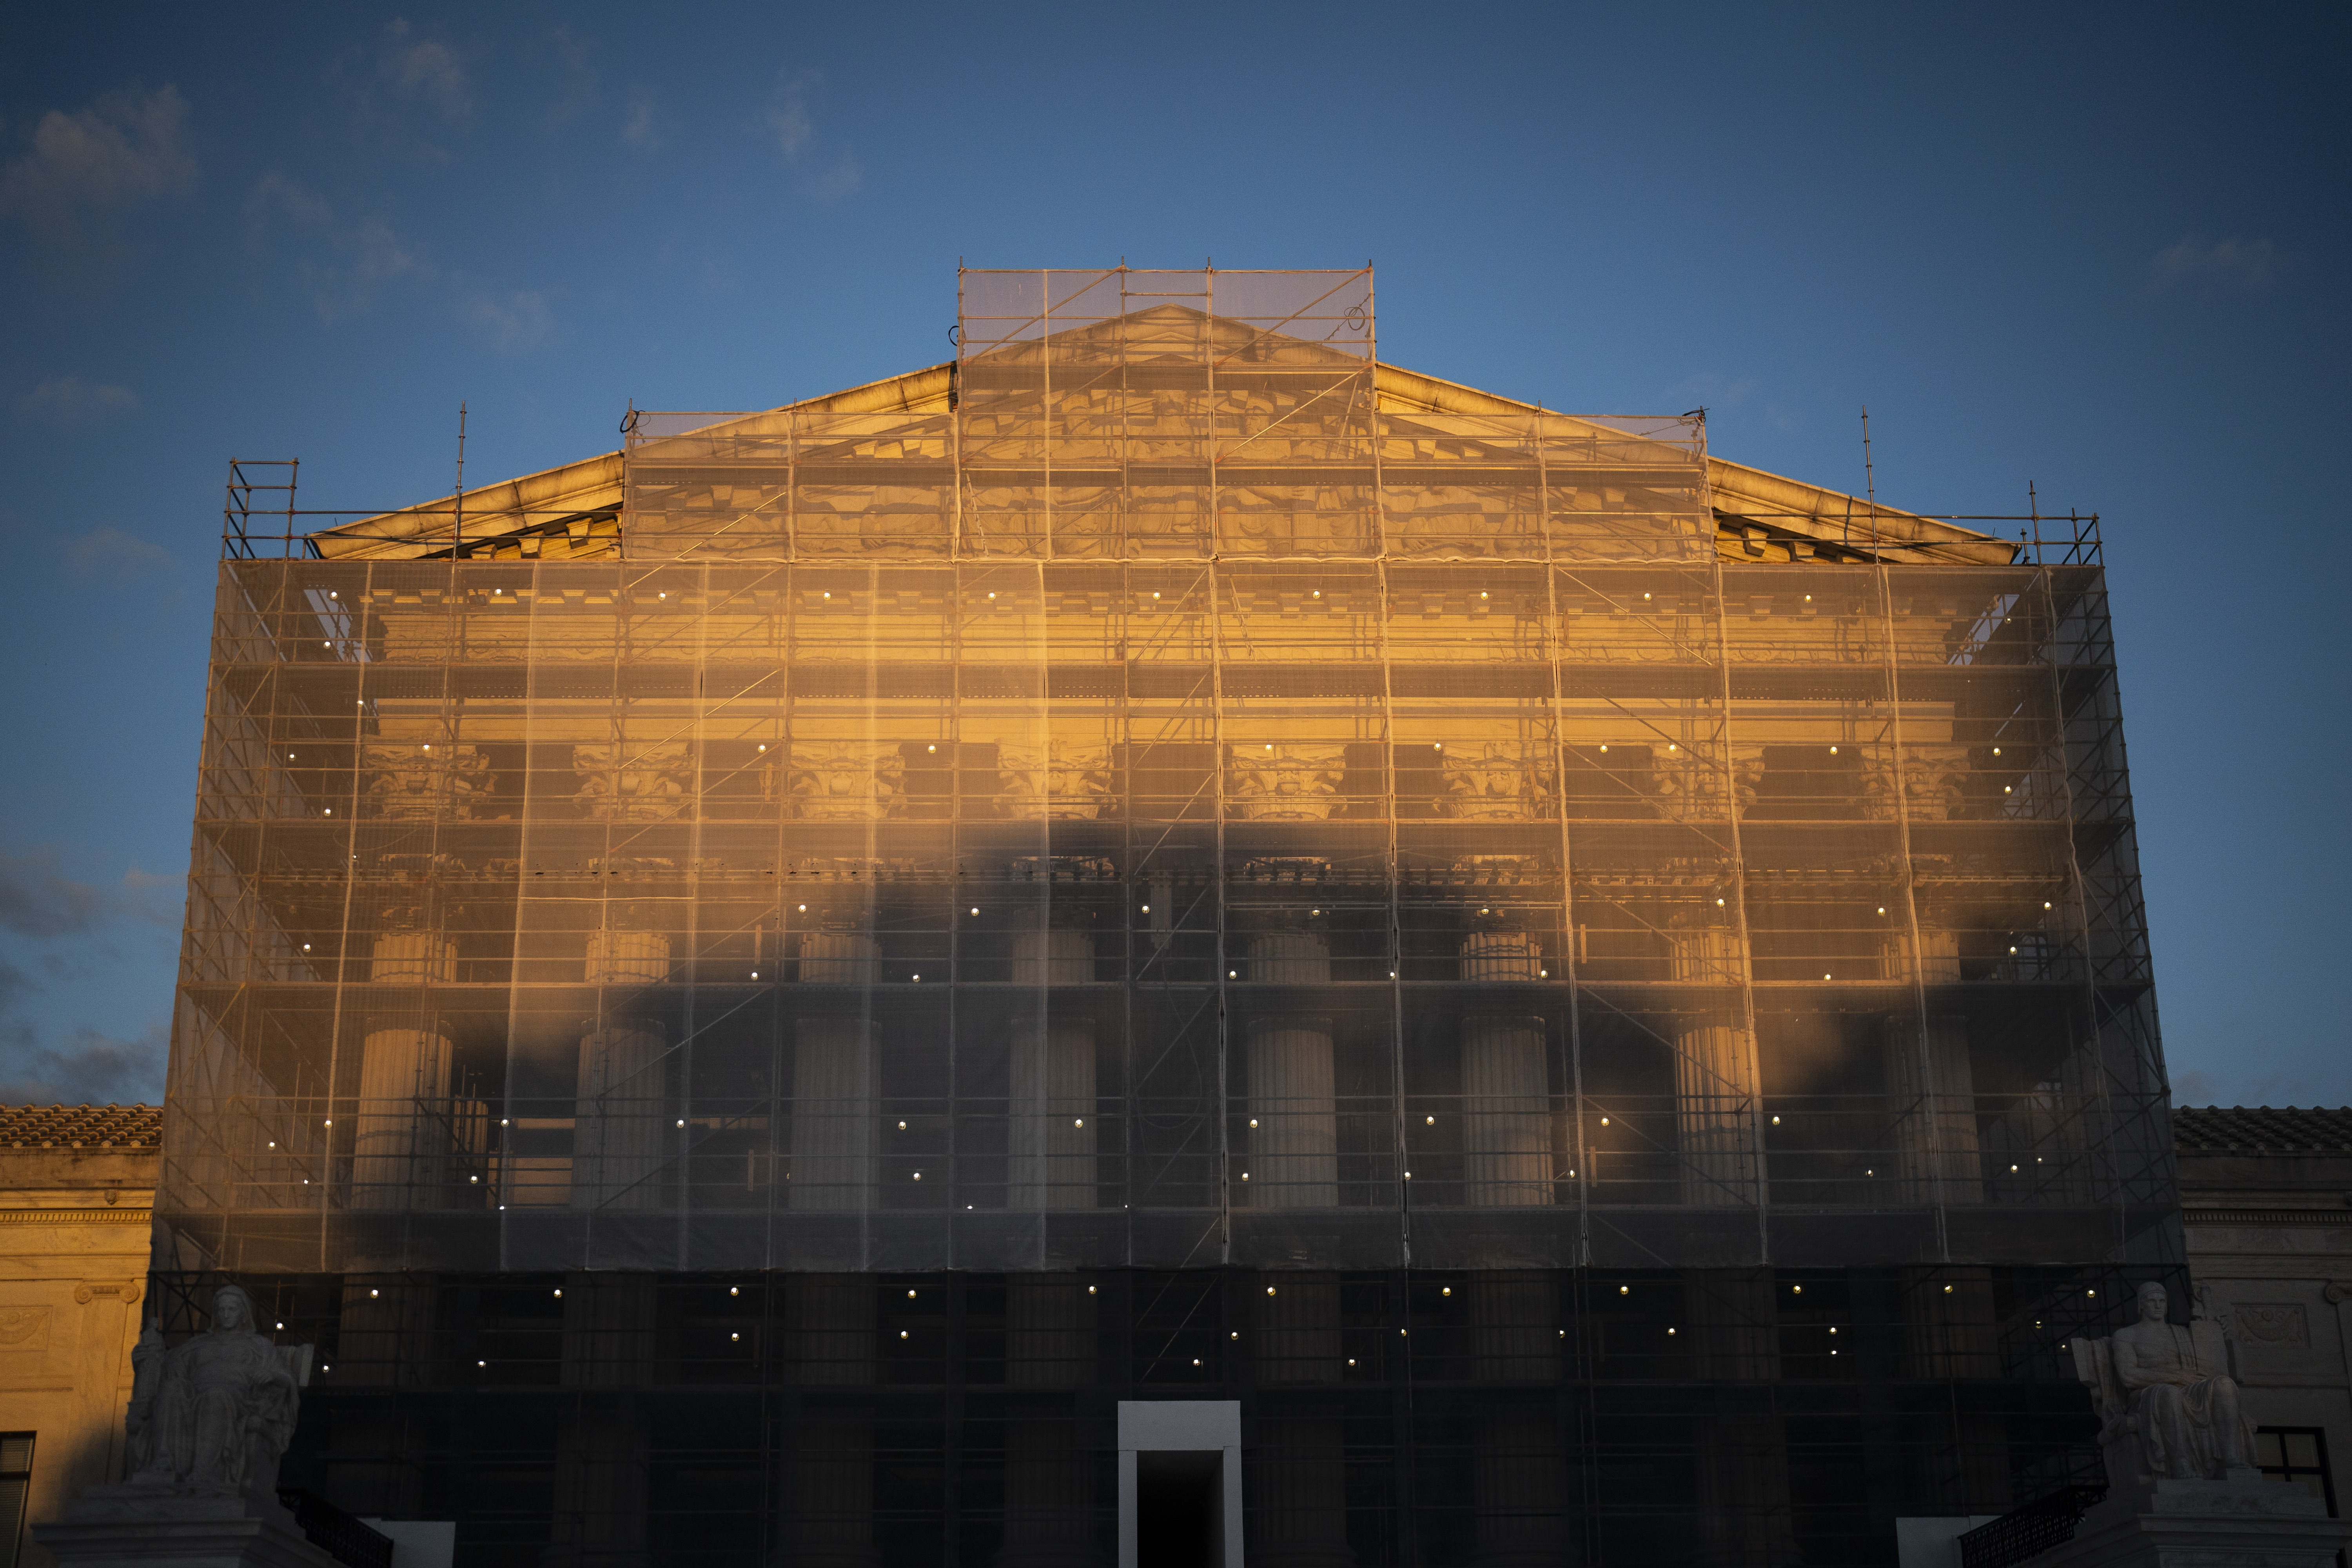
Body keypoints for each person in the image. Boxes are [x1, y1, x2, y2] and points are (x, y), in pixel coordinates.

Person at [131, 1284, 302, 1495]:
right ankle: (164, 1461)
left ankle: (205, 1471)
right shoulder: (196, 1345)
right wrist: (146, 1359)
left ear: (243, 1313)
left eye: (232, 1309)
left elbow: (285, 1378)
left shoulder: (260, 1346)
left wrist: (273, 1375)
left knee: (215, 1397)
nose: (226, 1315)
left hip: (238, 1398)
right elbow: (167, 1369)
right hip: (193, 1393)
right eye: (221, 1310)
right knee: (172, 1389)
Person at [2110, 1279, 2254, 1480]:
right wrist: (2177, 1377)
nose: (2158, 1305)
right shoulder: (2126, 1335)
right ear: (2141, 1304)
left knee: (2224, 1385)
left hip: (2188, 1388)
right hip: (2148, 1394)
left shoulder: (2182, 1333)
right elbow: (2128, 1376)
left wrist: (2216, 1332)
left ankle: (2229, 1459)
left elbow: (2210, 1364)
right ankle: (2180, 1463)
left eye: (2162, 1301)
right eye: (2152, 1301)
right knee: (2170, 1394)